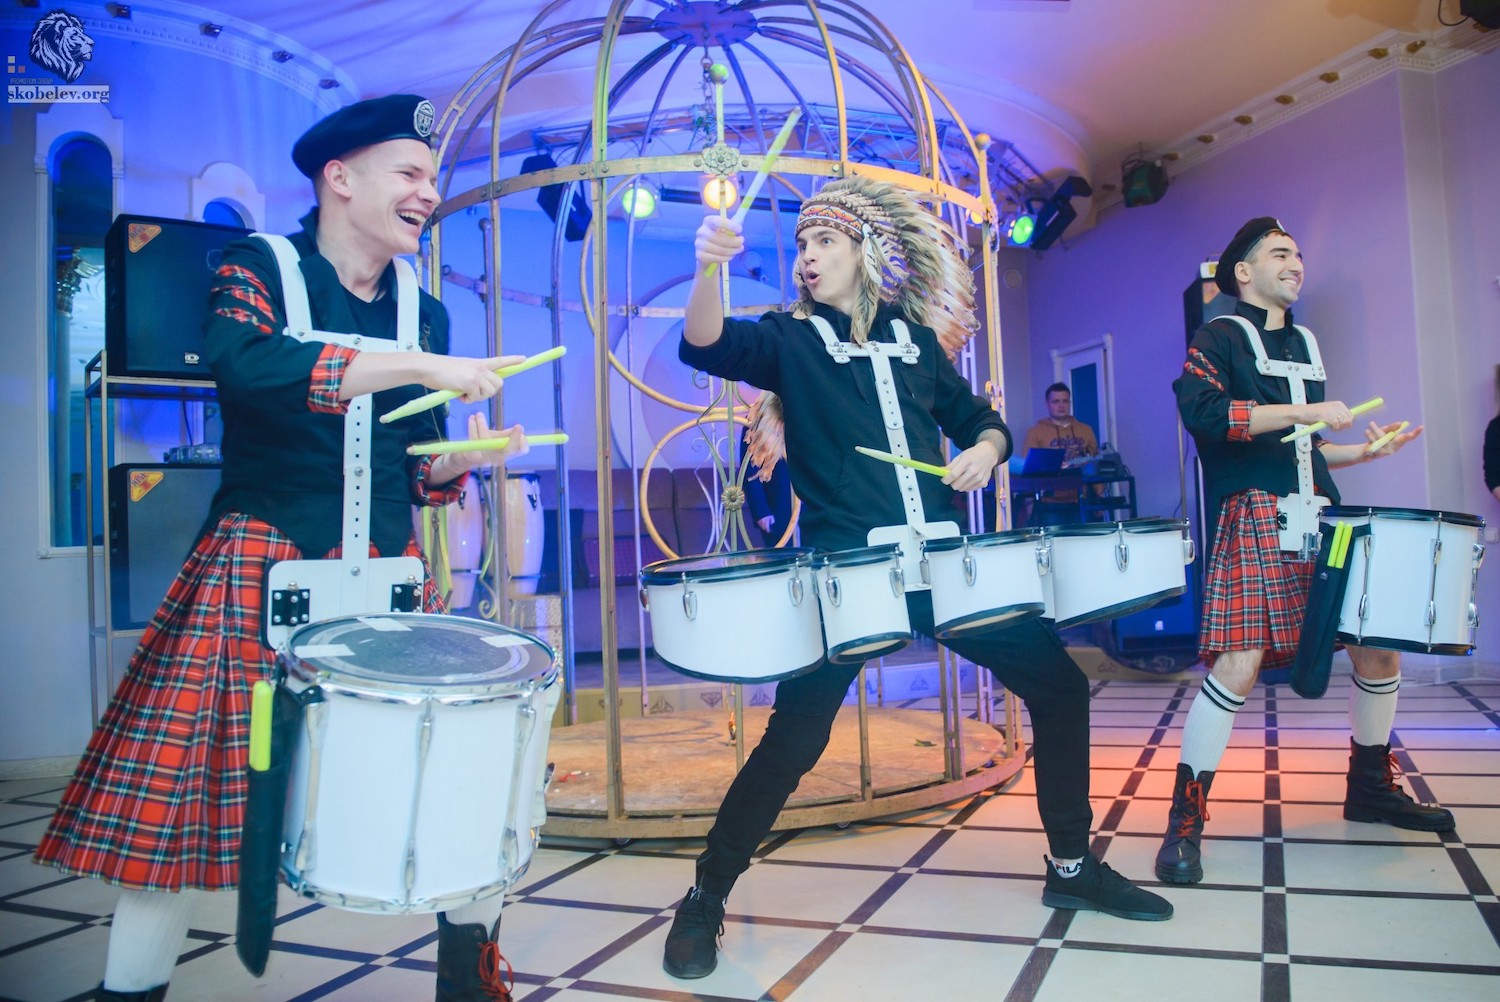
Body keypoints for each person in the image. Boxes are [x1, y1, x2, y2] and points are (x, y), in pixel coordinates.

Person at [35, 95, 530, 1001]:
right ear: (340, 178)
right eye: (410, 173)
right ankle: (129, 990)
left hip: (391, 572)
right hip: (262, 562)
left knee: (451, 771)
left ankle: (469, 980)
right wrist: (421, 368)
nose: (429, 193)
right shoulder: (257, 265)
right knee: (183, 799)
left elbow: (412, 461)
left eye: (433, 177)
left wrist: (460, 459)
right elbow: (247, 365)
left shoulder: (426, 312)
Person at [664, 177, 1172, 981]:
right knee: (795, 740)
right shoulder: (789, 340)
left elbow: (980, 421)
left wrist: (986, 451)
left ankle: (1072, 868)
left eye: (825, 241)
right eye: (801, 245)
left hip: (941, 565)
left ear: (865, 251)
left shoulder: (913, 341)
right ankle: (704, 896)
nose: (807, 257)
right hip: (853, 575)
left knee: (1060, 687)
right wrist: (705, 271)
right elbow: (706, 343)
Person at [1161, 216, 1448, 886]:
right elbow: (1206, 416)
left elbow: (1307, 449)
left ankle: (1370, 788)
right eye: (1280, 253)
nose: (1296, 263)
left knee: (1378, 648)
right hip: (1253, 513)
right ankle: (1185, 818)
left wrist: (1365, 452)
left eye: (1297, 253)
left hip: (1320, 512)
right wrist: (1303, 414)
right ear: (1243, 272)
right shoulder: (1218, 335)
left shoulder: (1305, 341)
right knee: (1238, 665)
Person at [1020, 383, 1099, 525]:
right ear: (1047, 404)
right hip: (1049, 503)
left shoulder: (1086, 430)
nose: (1061, 405)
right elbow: (1028, 468)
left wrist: (1099, 495)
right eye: (1056, 401)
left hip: (1082, 500)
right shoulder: (1036, 432)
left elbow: (1095, 462)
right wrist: (1029, 505)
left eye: (1065, 401)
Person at [738, 424, 793, 547]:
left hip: (811, 504)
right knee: (782, 555)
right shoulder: (757, 418)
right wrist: (761, 510)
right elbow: (750, 470)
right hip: (777, 506)